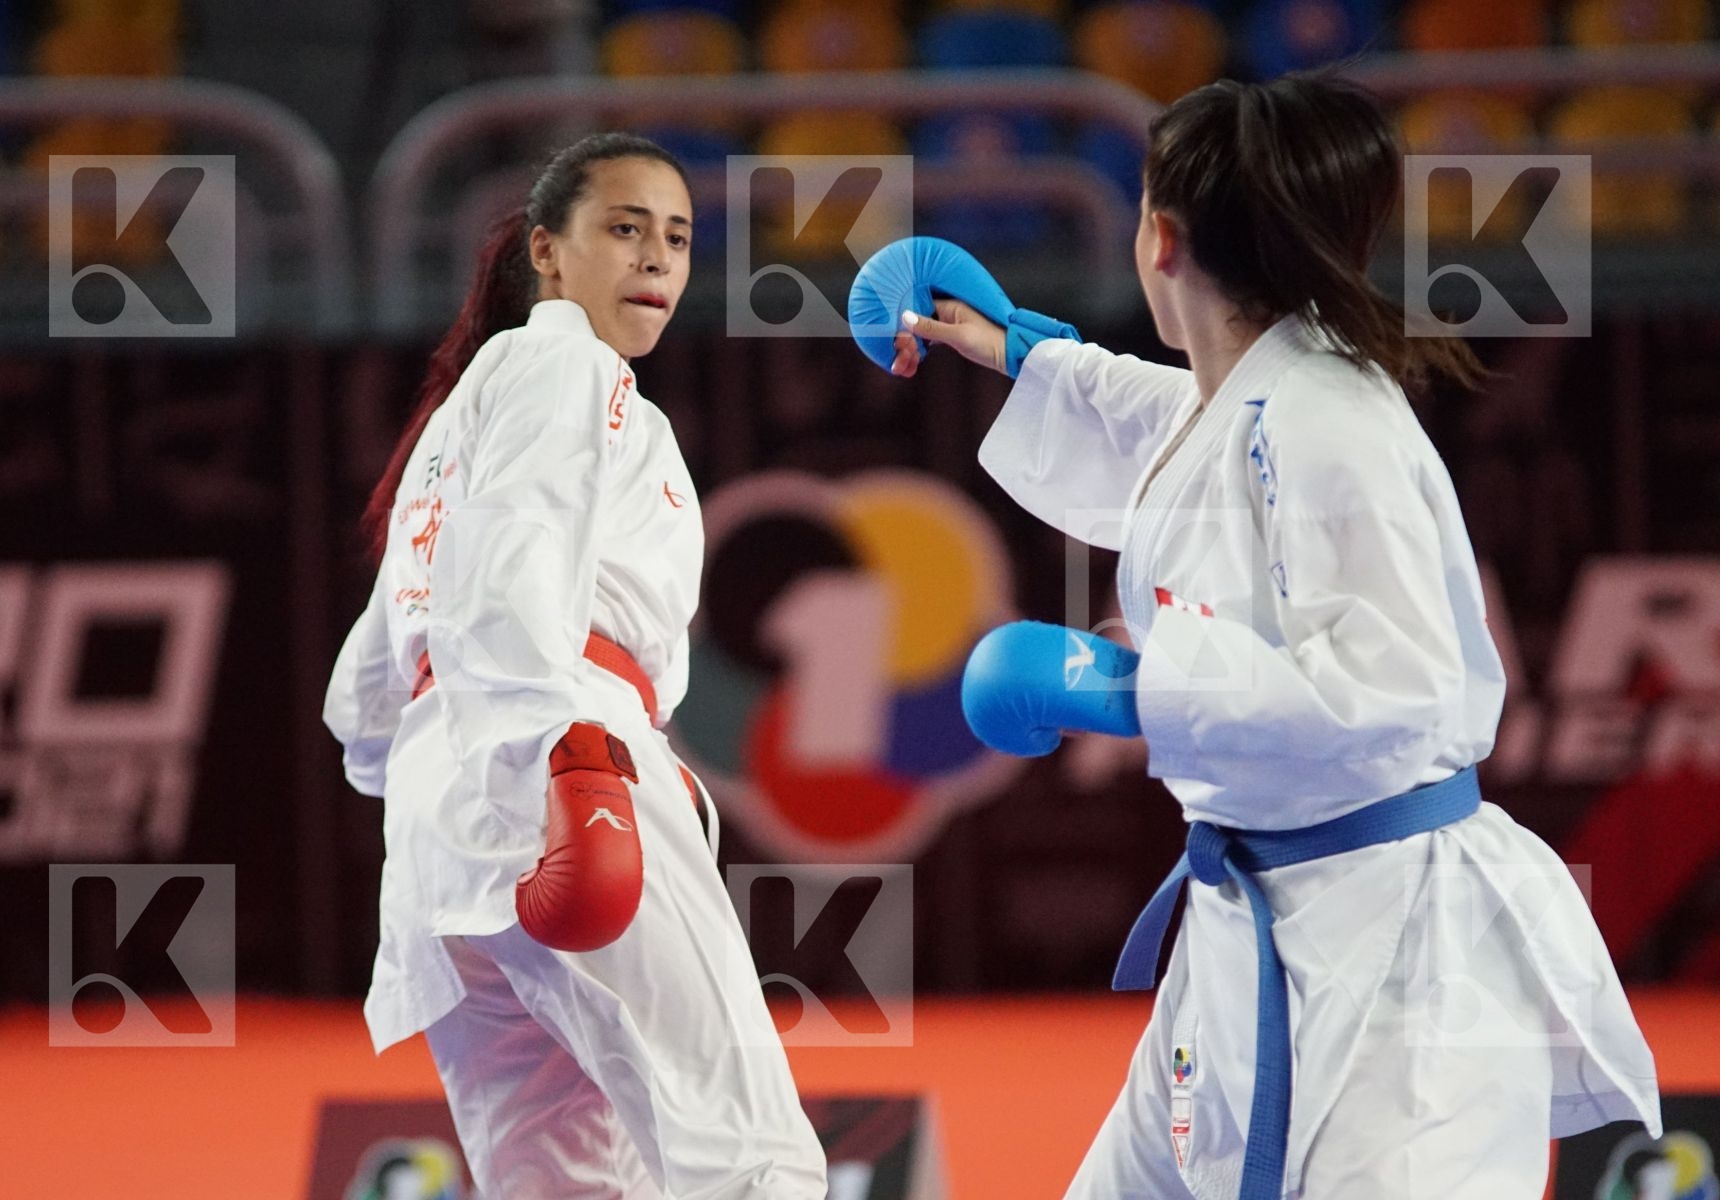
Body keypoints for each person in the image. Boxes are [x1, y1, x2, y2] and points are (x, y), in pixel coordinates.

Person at [891, 74, 1661, 1199]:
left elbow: (1399, 687)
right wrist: (1020, 350)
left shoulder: (1331, 422)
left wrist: (1130, 694)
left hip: (1398, 962)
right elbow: (1185, 431)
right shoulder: (1261, 392)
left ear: (1159, 237)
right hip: (1254, 924)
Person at [323, 132, 828, 1200]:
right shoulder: (563, 361)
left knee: (563, 1185)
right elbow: (519, 551)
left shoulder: (457, 417)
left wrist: (452, 776)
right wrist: (568, 759)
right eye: (625, 229)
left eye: (677, 239)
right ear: (548, 253)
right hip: (557, 750)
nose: (655, 259)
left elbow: (366, 699)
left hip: (438, 828)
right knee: (747, 1155)